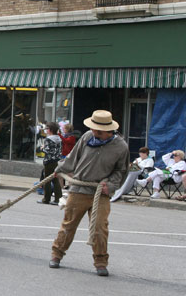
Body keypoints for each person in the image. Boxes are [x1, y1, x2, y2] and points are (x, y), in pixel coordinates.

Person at [49, 110, 129, 277]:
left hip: (100, 192)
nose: (94, 132)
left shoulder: (121, 146)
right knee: (69, 224)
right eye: (93, 128)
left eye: (98, 130)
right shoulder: (87, 137)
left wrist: (111, 184)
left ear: (109, 131)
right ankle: (57, 254)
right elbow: (73, 157)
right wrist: (60, 169)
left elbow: (121, 171)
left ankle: (100, 262)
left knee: (100, 227)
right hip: (79, 189)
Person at [40, 122, 63, 205]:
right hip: (56, 160)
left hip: (49, 161)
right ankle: (58, 198)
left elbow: (47, 151)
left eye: (46, 129)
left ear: (50, 130)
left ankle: (46, 199)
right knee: (55, 180)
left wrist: (42, 148)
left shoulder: (48, 139)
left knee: (47, 180)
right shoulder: (58, 138)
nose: (46, 130)